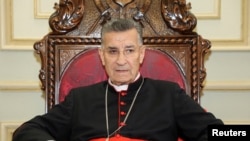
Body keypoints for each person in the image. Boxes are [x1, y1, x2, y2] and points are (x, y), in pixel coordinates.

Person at [12, 18, 223, 141]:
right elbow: (25, 132)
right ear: (102, 56)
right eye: (112, 51)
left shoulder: (169, 94)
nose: (121, 60)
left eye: (129, 50)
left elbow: (217, 131)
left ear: (141, 54)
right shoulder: (80, 99)